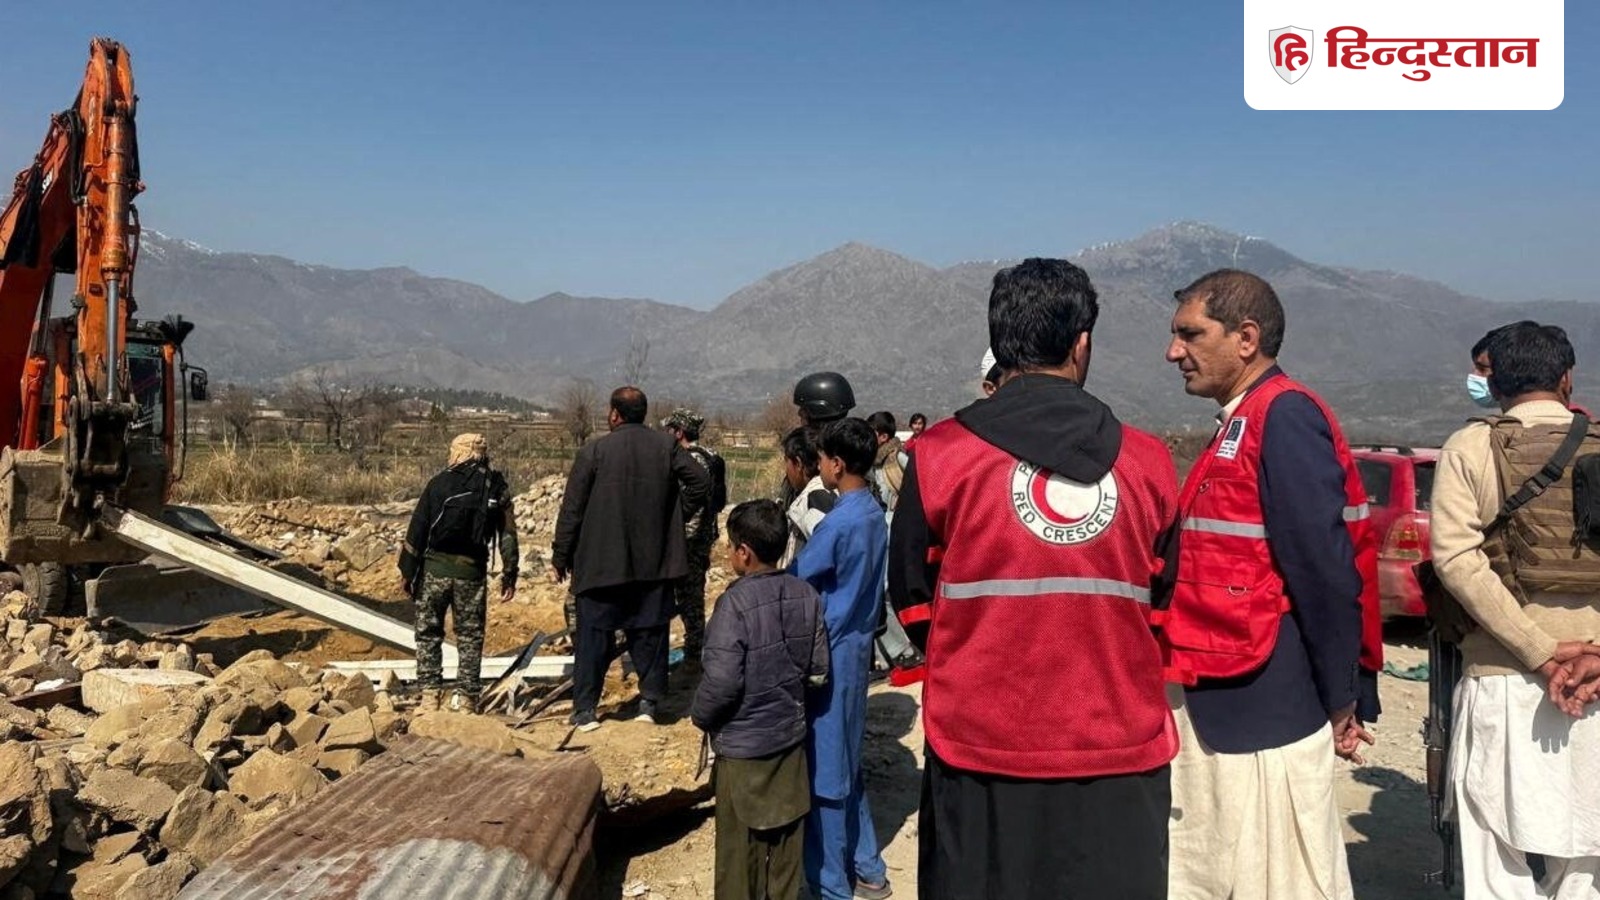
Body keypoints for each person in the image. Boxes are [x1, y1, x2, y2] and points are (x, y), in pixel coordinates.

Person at [889, 258, 1179, 899]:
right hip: (1117, 752)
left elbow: (911, 596)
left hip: (978, 752)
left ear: (999, 346)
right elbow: (1161, 605)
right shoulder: (1150, 462)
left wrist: (974, 654)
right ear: (1082, 345)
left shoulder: (939, 456)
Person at [1159, 268, 1382, 900]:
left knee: (1275, 874)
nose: (1173, 352)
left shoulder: (1283, 416)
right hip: (1221, 690)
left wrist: (1344, 694)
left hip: (1263, 703)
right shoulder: (1242, 421)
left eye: (1190, 334)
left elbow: (1323, 570)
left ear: (1246, 338)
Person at [1430, 321, 1600, 899]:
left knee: (1493, 844)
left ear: (1495, 382)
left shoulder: (1470, 446)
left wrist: (1539, 652)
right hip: (1593, 683)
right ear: (1567, 378)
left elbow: (1456, 559)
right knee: (1585, 848)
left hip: (1504, 675)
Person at [693, 499, 831, 900]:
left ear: (744, 552)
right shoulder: (806, 595)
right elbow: (819, 672)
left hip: (743, 755)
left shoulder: (733, 605)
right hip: (790, 746)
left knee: (739, 865)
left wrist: (700, 716)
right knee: (785, 860)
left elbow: (721, 684)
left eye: (730, 545)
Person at [553, 386, 711, 731]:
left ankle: (585, 711)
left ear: (614, 414)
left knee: (594, 637)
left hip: (600, 564)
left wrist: (561, 554)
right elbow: (700, 482)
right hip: (653, 563)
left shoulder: (594, 451)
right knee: (650, 634)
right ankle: (649, 704)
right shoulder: (666, 446)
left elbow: (572, 509)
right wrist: (673, 518)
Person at [792, 418, 892, 900]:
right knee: (847, 763)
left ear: (835, 464)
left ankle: (831, 883)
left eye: (820, 460)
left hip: (829, 652)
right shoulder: (872, 511)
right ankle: (868, 866)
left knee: (827, 775)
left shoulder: (839, 522)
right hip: (856, 649)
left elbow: (799, 576)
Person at [399, 433, 519, 713]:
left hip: (433, 572)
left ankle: (429, 697)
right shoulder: (496, 487)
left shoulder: (439, 483)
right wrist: (510, 573)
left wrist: (408, 572)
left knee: (428, 634)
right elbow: (508, 535)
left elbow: (417, 529)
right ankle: (466, 700)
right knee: (470, 636)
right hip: (471, 575)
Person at [663, 407, 728, 664]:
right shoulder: (711, 456)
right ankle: (694, 649)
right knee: (693, 593)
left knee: (688, 597)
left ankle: (693, 655)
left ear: (679, 432)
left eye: (670, 429)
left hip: (686, 538)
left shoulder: (688, 460)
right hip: (703, 535)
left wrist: (680, 515)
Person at [779, 425, 833, 568]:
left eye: (786, 462)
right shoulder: (829, 491)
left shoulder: (814, 501)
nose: (786, 470)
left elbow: (824, 556)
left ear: (798, 464)